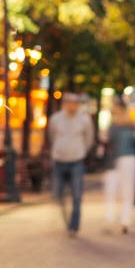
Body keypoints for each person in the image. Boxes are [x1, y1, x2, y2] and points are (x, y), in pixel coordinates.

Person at [49, 92, 94, 237]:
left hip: (76, 161)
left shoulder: (84, 120)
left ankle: (74, 226)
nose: (72, 105)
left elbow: (89, 139)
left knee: (77, 194)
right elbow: (52, 136)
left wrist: (81, 152)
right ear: (64, 104)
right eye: (69, 102)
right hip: (59, 160)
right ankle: (66, 219)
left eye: (74, 103)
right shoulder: (56, 119)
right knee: (58, 194)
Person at [102, 102, 135, 234]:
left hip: (128, 159)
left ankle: (125, 221)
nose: (115, 115)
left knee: (127, 191)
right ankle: (109, 220)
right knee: (110, 190)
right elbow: (106, 142)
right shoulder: (112, 127)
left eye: (117, 111)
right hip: (112, 162)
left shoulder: (132, 126)